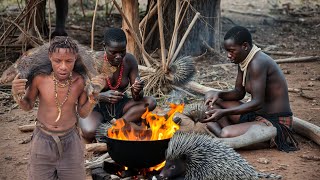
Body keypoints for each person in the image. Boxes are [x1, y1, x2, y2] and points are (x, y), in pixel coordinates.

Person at [11, 36, 105, 180]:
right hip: (42, 140)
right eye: (57, 61)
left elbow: (83, 113)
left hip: (71, 141)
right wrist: (17, 95)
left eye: (69, 61)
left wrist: (93, 98)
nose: (63, 66)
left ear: (75, 58)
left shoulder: (80, 81)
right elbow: (27, 106)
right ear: (50, 57)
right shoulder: (39, 79)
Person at [202, 26, 298, 152]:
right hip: (256, 116)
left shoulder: (257, 63)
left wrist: (224, 113)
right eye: (227, 51)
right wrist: (217, 93)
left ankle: (227, 136)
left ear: (245, 46)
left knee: (225, 133)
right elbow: (238, 93)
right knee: (212, 100)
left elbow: (257, 103)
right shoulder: (244, 60)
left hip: (274, 122)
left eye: (231, 51)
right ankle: (234, 131)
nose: (229, 56)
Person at [80, 27, 157, 142]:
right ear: (104, 46)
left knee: (150, 102)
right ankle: (125, 122)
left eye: (122, 51)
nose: (119, 56)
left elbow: (137, 97)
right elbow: (80, 92)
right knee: (89, 131)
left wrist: (137, 89)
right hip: (96, 106)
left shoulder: (129, 61)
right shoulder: (93, 61)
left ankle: (117, 126)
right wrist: (101, 96)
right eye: (113, 52)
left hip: (121, 106)